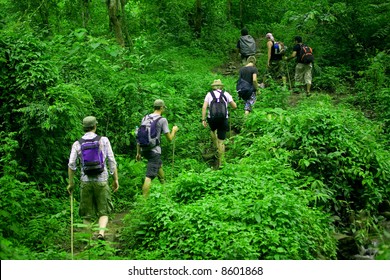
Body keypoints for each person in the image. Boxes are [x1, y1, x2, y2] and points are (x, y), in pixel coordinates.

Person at [67, 116, 119, 241]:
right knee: (104, 211)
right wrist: (115, 179)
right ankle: (101, 233)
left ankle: (88, 239)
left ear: (84, 127)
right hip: (102, 180)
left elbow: (71, 164)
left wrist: (71, 183)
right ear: (95, 126)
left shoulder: (77, 143)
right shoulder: (104, 140)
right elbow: (111, 160)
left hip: (85, 181)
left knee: (86, 214)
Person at [136, 99, 178, 198]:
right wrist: (174, 130)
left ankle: (166, 189)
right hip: (154, 150)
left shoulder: (145, 118)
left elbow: (139, 136)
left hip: (144, 149)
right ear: (162, 108)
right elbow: (169, 139)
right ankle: (144, 201)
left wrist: (138, 153)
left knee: (158, 165)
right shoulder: (162, 120)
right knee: (149, 176)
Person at [202, 79, 237, 168]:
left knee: (212, 130)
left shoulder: (209, 94)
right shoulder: (226, 94)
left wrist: (203, 119)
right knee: (222, 140)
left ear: (213, 87)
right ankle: (221, 162)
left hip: (212, 119)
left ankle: (216, 146)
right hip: (223, 119)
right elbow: (234, 106)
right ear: (221, 86)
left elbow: (204, 107)